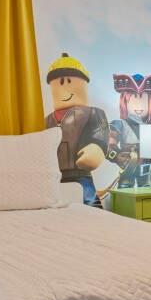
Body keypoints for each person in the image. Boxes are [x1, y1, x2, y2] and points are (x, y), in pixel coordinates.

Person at [44, 53, 114, 206]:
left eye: (69, 81)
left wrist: (96, 148)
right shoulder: (47, 120)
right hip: (55, 178)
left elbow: (100, 133)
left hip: (81, 176)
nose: (64, 89)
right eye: (60, 83)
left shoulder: (93, 113)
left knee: (90, 205)